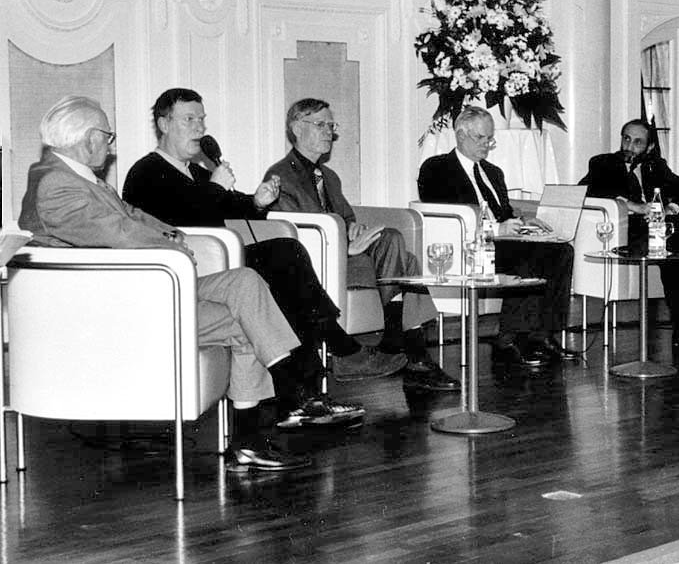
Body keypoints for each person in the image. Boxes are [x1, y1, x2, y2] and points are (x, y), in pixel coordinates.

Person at [18, 96, 362, 473]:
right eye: (107, 136)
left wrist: (172, 234)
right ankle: (272, 410)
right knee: (247, 314)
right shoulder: (57, 184)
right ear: (85, 138)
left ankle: (267, 418)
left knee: (246, 283)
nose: (111, 144)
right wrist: (170, 243)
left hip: (150, 283)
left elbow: (133, 216)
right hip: (125, 299)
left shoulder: (79, 178)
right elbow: (118, 234)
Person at [122, 88, 406, 382]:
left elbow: (228, 205)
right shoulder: (146, 173)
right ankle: (337, 351)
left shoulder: (196, 172)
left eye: (202, 119)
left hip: (222, 256)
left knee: (287, 253)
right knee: (283, 256)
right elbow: (183, 222)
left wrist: (257, 200)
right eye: (189, 119)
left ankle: (320, 362)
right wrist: (216, 188)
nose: (199, 127)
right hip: (193, 265)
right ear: (164, 124)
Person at [263, 98, 460, 393]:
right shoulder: (280, 177)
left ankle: (403, 349)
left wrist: (353, 229)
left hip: (344, 252)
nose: (329, 132)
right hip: (316, 264)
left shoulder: (329, 177)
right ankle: (407, 352)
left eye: (331, 126)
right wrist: (344, 249)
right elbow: (291, 237)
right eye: (320, 125)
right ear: (296, 128)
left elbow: (344, 218)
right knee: (384, 260)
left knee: (394, 241)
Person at [417, 106, 577, 367]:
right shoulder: (437, 168)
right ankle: (507, 340)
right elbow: (446, 217)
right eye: (480, 138)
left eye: (489, 139)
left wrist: (524, 223)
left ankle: (543, 335)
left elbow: (503, 213)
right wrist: (496, 230)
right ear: (460, 135)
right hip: (468, 244)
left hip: (501, 241)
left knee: (561, 250)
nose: (486, 145)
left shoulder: (493, 172)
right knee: (526, 257)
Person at [579, 119, 679, 352]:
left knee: (671, 249)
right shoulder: (603, 163)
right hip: (625, 233)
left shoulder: (655, 165)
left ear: (648, 148)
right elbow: (588, 190)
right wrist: (634, 206)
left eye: (638, 142)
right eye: (626, 139)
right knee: (670, 237)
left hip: (658, 233)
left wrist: (671, 208)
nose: (629, 146)